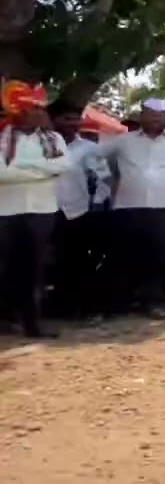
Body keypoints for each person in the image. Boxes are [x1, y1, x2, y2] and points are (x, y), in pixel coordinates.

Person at [97, 98, 165, 318]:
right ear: (141, 115)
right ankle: (119, 304)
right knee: (122, 256)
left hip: (163, 206)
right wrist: (107, 178)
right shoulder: (123, 141)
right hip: (128, 206)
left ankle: (151, 302)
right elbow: (95, 155)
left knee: (157, 256)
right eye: (150, 114)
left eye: (160, 115)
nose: (155, 118)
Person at [0, 82, 70, 338]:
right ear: (19, 112)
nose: (40, 113)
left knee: (34, 269)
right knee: (4, 268)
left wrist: (20, 168)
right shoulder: (2, 135)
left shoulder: (53, 139)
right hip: (4, 212)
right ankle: (5, 319)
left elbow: (63, 166)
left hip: (41, 211)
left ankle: (32, 324)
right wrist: (41, 170)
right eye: (33, 109)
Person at [48, 100, 113, 319]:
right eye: (66, 118)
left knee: (77, 260)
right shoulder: (43, 145)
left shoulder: (89, 148)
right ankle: (53, 307)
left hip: (76, 211)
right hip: (44, 210)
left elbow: (104, 179)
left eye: (75, 119)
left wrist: (98, 204)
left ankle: (81, 308)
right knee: (50, 260)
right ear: (55, 120)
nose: (72, 123)